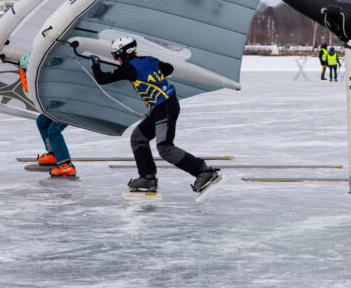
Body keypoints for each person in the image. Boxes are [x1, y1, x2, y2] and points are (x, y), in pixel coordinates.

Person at [90, 36, 219, 194]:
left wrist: (95, 63)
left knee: (165, 148)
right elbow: (169, 68)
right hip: (163, 106)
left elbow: (102, 79)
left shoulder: (128, 68)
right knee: (138, 138)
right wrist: (151, 72)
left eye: (115, 55)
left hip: (165, 107)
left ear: (122, 53)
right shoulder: (149, 60)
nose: (115, 59)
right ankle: (147, 177)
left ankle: (203, 171)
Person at [18, 52, 76, 178]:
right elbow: (29, 88)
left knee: (53, 131)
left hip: (72, 105)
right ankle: (53, 154)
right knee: (42, 121)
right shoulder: (41, 74)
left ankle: (66, 165)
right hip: (59, 105)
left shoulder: (51, 71)